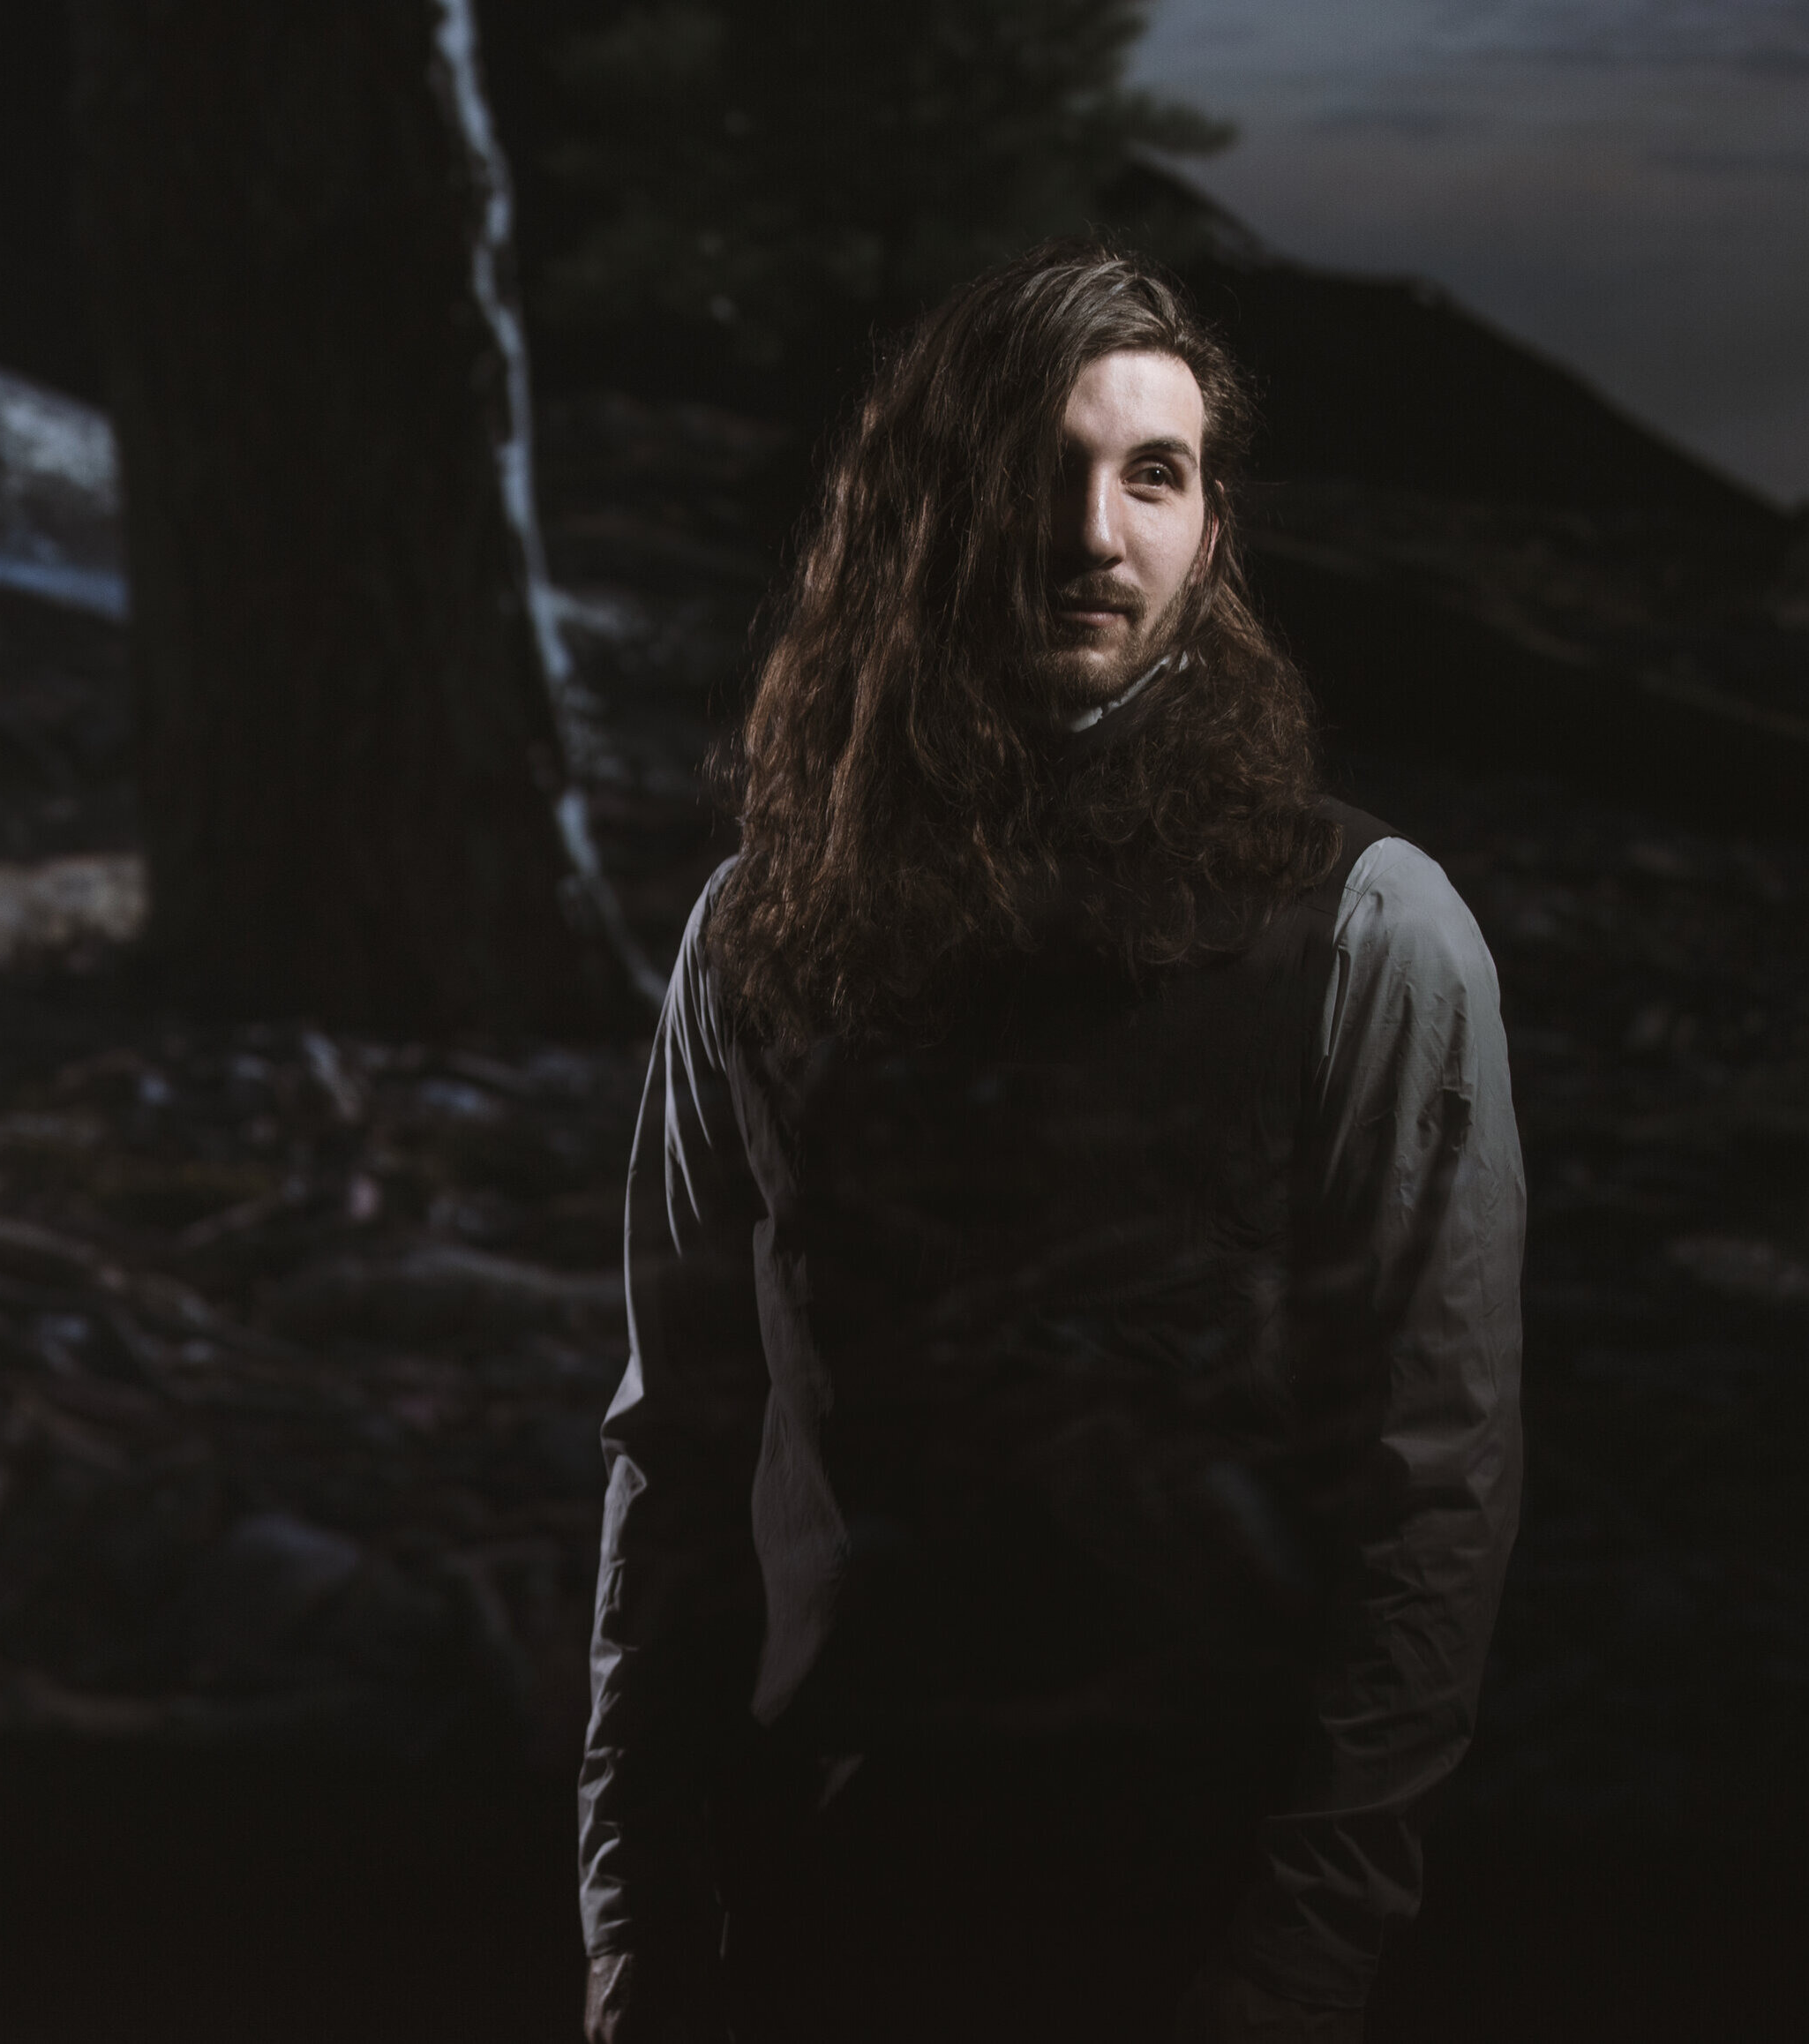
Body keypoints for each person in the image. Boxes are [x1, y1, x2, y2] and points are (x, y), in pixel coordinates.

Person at [576, 242, 1523, 2044]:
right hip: (818, 1910)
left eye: (1150, 472)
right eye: (1038, 466)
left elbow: (1435, 1500)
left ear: (1212, 527)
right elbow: (679, 1450)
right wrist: (633, 1932)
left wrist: (1294, 1976)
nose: (1093, 528)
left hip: (1184, 1918)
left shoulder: (1372, 929)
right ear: (928, 507)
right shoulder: (758, 932)